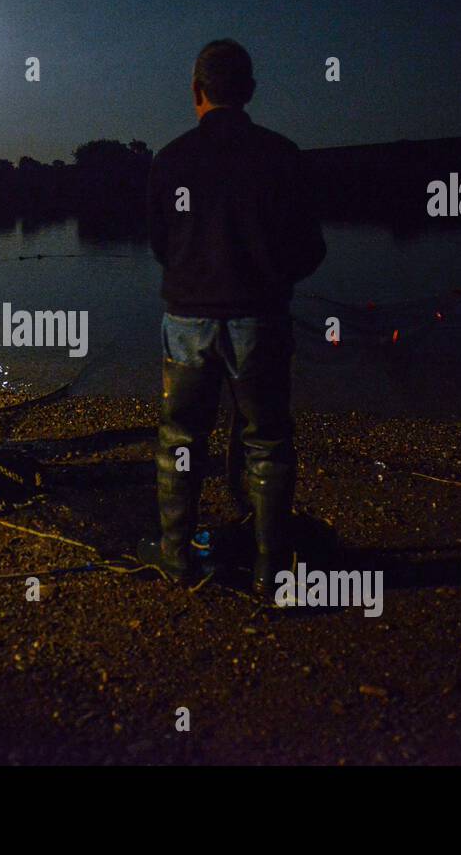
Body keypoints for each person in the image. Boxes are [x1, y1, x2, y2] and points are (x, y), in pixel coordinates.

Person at [142, 39, 326, 595]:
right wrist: (272, 278)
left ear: (196, 92)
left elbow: (160, 242)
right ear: (248, 92)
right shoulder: (282, 155)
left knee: (181, 437)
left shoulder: (170, 159)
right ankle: (273, 572)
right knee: (267, 440)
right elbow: (310, 247)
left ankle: (176, 559)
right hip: (260, 320)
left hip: (188, 321)